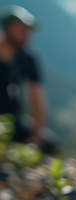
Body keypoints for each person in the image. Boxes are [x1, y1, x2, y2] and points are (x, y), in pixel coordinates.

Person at [0, 5, 56, 153]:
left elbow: (37, 99)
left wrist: (36, 136)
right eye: (21, 29)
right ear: (7, 28)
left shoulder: (27, 59)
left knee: (50, 145)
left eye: (28, 30)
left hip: (13, 122)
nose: (26, 34)